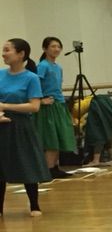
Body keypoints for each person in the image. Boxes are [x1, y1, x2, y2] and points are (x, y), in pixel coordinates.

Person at [0, 38, 50, 216]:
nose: (3, 54)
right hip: (1, 123)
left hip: (21, 126)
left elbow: (34, 106)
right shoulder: (0, 74)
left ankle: (34, 205)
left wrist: (6, 106)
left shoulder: (31, 78)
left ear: (21, 54)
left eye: (7, 50)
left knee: (26, 162)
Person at [35, 36, 77, 178]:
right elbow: (35, 84)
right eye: (53, 46)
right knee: (51, 137)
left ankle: (55, 166)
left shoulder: (58, 67)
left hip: (59, 104)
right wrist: (41, 100)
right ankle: (49, 169)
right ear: (45, 48)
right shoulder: (43, 66)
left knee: (59, 136)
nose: (56, 49)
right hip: (48, 106)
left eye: (58, 46)